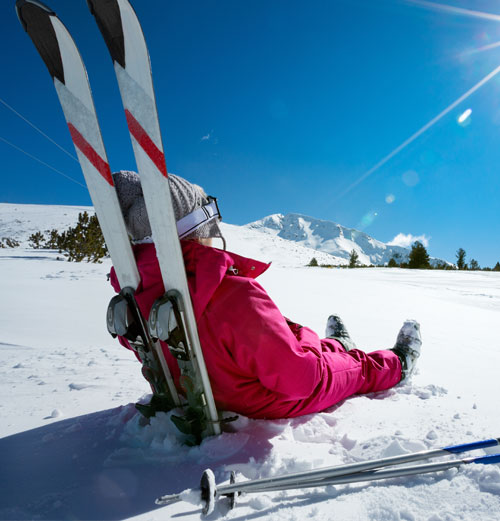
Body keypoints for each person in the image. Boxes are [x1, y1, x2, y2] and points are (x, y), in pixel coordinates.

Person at [110, 170, 422, 420]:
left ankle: (335, 345)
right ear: (198, 230)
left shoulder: (136, 297)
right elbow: (301, 379)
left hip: (207, 389)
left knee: (295, 339)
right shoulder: (232, 296)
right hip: (262, 401)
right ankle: (397, 363)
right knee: (353, 368)